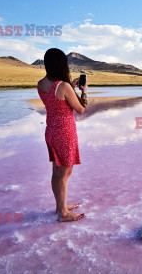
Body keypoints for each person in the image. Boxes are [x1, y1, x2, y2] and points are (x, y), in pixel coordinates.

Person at [37, 48, 88, 222]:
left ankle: (60, 207)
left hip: (51, 130)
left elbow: (56, 97)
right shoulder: (64, 86)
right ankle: (64, 214)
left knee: (56, 171)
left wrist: (70, 88)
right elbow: (80, 109)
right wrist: (83, 91)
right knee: (65, 173)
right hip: (65, 132)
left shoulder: (41, 84)